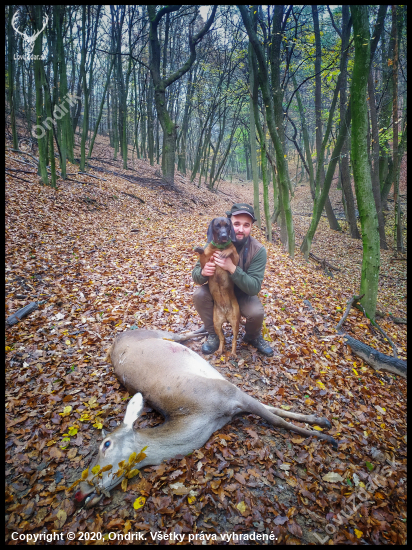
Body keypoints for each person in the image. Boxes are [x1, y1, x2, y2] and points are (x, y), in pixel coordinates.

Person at [192, 203, 273, 356]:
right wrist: (203, 272)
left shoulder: (258, 250)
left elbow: (254, 287)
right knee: (199, 295)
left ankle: (252, 336)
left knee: (255, 312)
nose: (241, 229)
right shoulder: (213, 242)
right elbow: (196, 275)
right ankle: (213, 335)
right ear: (228, 223)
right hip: (217, 289)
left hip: (242, 292)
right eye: (236, 224)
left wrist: (232, 268)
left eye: (246, 225)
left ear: (251, 227)